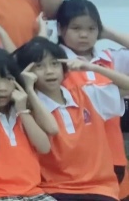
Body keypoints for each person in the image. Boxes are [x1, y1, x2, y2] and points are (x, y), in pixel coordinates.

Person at [14, 37, 129, 200]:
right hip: (54, 190)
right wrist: (28, 88)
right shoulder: (27, 108)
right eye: (39, 66)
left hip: (101, 189)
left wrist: (91, 67)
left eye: (54, 64)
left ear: (64, 67)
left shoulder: (87, 94)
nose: (49, 71)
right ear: (26, 73)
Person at [0, 49, 58, 200]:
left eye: (8, 78)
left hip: (34, 192)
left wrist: (22, 111)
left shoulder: (21, 112)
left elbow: (44, 147)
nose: (2, 87)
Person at [55, 0, 129, 189]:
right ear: (60, 29)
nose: (84, 35)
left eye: (91, 29)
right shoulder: (54, 63)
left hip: (112, 154)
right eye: (76, 28)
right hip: (71, 158)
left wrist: (109, 33)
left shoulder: (109, 59)